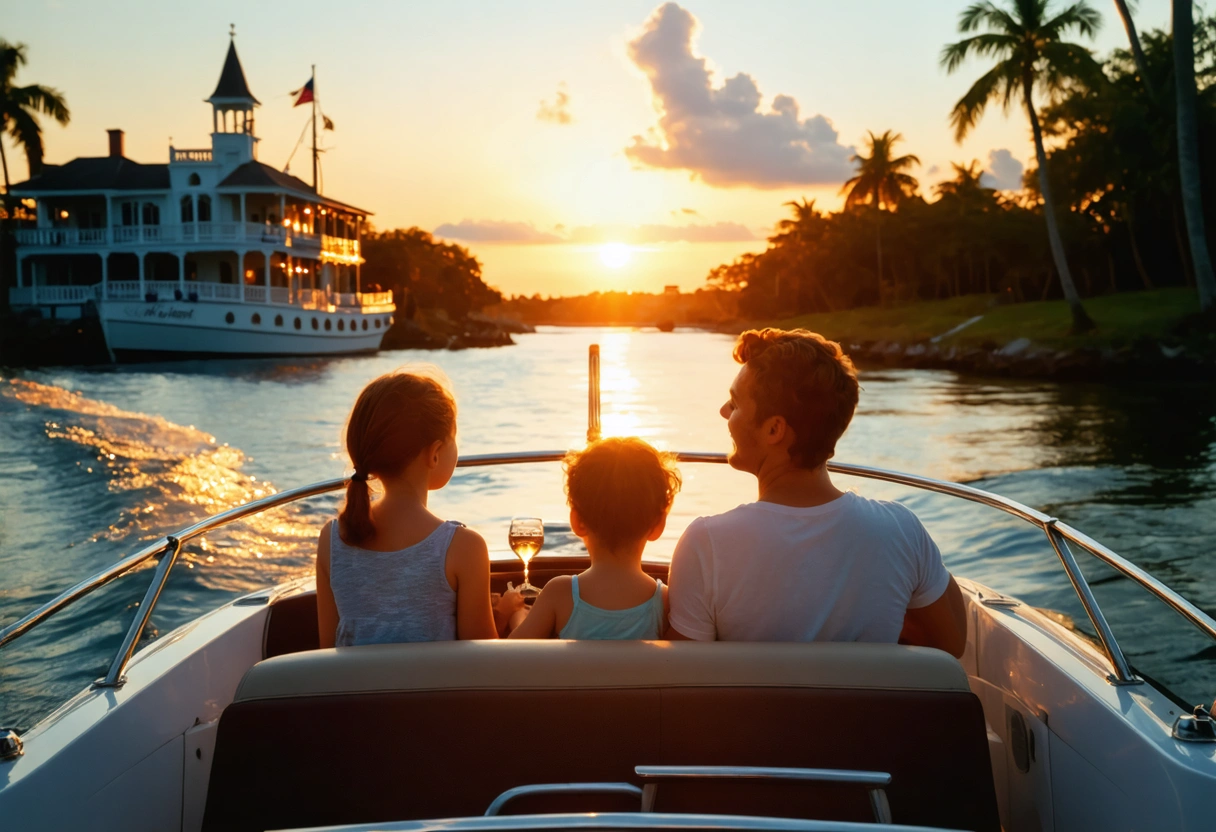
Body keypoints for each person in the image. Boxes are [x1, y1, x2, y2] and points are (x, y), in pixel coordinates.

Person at [665, 328, 967, 656]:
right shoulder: (901, 531)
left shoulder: (705, 544)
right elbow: (952, 646)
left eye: (735, 403)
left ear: (774, 429)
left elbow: (685, 682)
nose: (724, 412)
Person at [315, 368, 523, 647]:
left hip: (355, 692)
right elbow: (480, 667)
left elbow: (327, 653)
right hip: (433, 693)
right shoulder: (464, 547)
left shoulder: (332, 540)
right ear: (435, 453)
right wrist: (506, 613)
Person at [510, 437, 680, 640]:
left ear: (576, 521)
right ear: (658, 525)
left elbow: (511, 659)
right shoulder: (665, 602)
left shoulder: (559, 594)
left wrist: (515, 614)